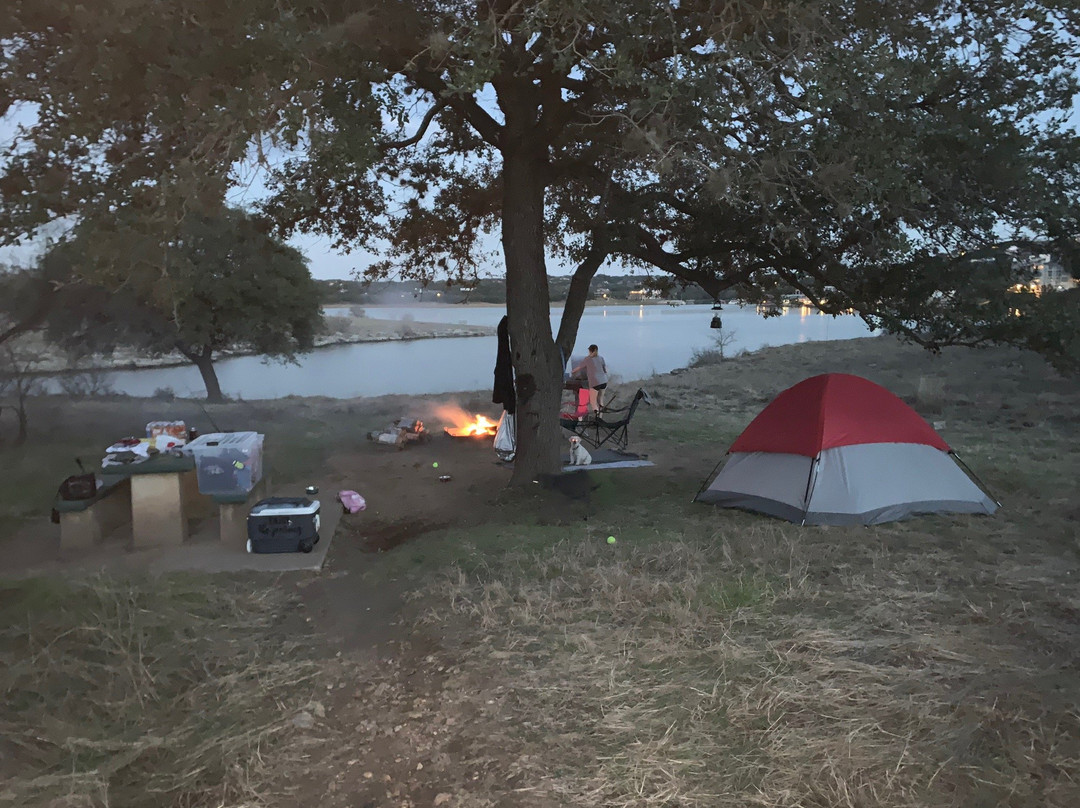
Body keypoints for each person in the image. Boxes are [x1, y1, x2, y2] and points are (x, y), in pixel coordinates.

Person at [572, 344, 609, 415]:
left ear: (590, 351)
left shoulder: (587, 359)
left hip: (595, 382)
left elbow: (579, 367)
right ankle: (600, 417)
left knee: (593, 402)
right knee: (600, 400)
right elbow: (605, 370)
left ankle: (597, 417)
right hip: (604, 381)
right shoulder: (601, 358)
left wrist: (572, 371)